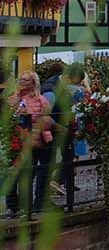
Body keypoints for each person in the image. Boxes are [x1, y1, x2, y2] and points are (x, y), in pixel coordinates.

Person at [6, 71, 53, 217]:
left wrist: (29, 116)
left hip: (40, 141)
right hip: (20, 143)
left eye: (25, 80)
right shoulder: (13, 98)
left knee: (38, 173)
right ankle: (16, 207)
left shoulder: (40, 99)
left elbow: (47, 121)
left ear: (33, 83)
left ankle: (35, 205)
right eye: (21, 79)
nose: (22, 82)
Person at [45, 63, 86, 197]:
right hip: (53, 129)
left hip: (65, 129)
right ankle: (43, 197)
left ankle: (66, 186)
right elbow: (44, 113)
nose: (77, 86)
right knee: (47, 162)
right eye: (76, 83)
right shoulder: (51, 87)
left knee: (68, 156)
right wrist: (57, 125)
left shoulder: (62, 85)